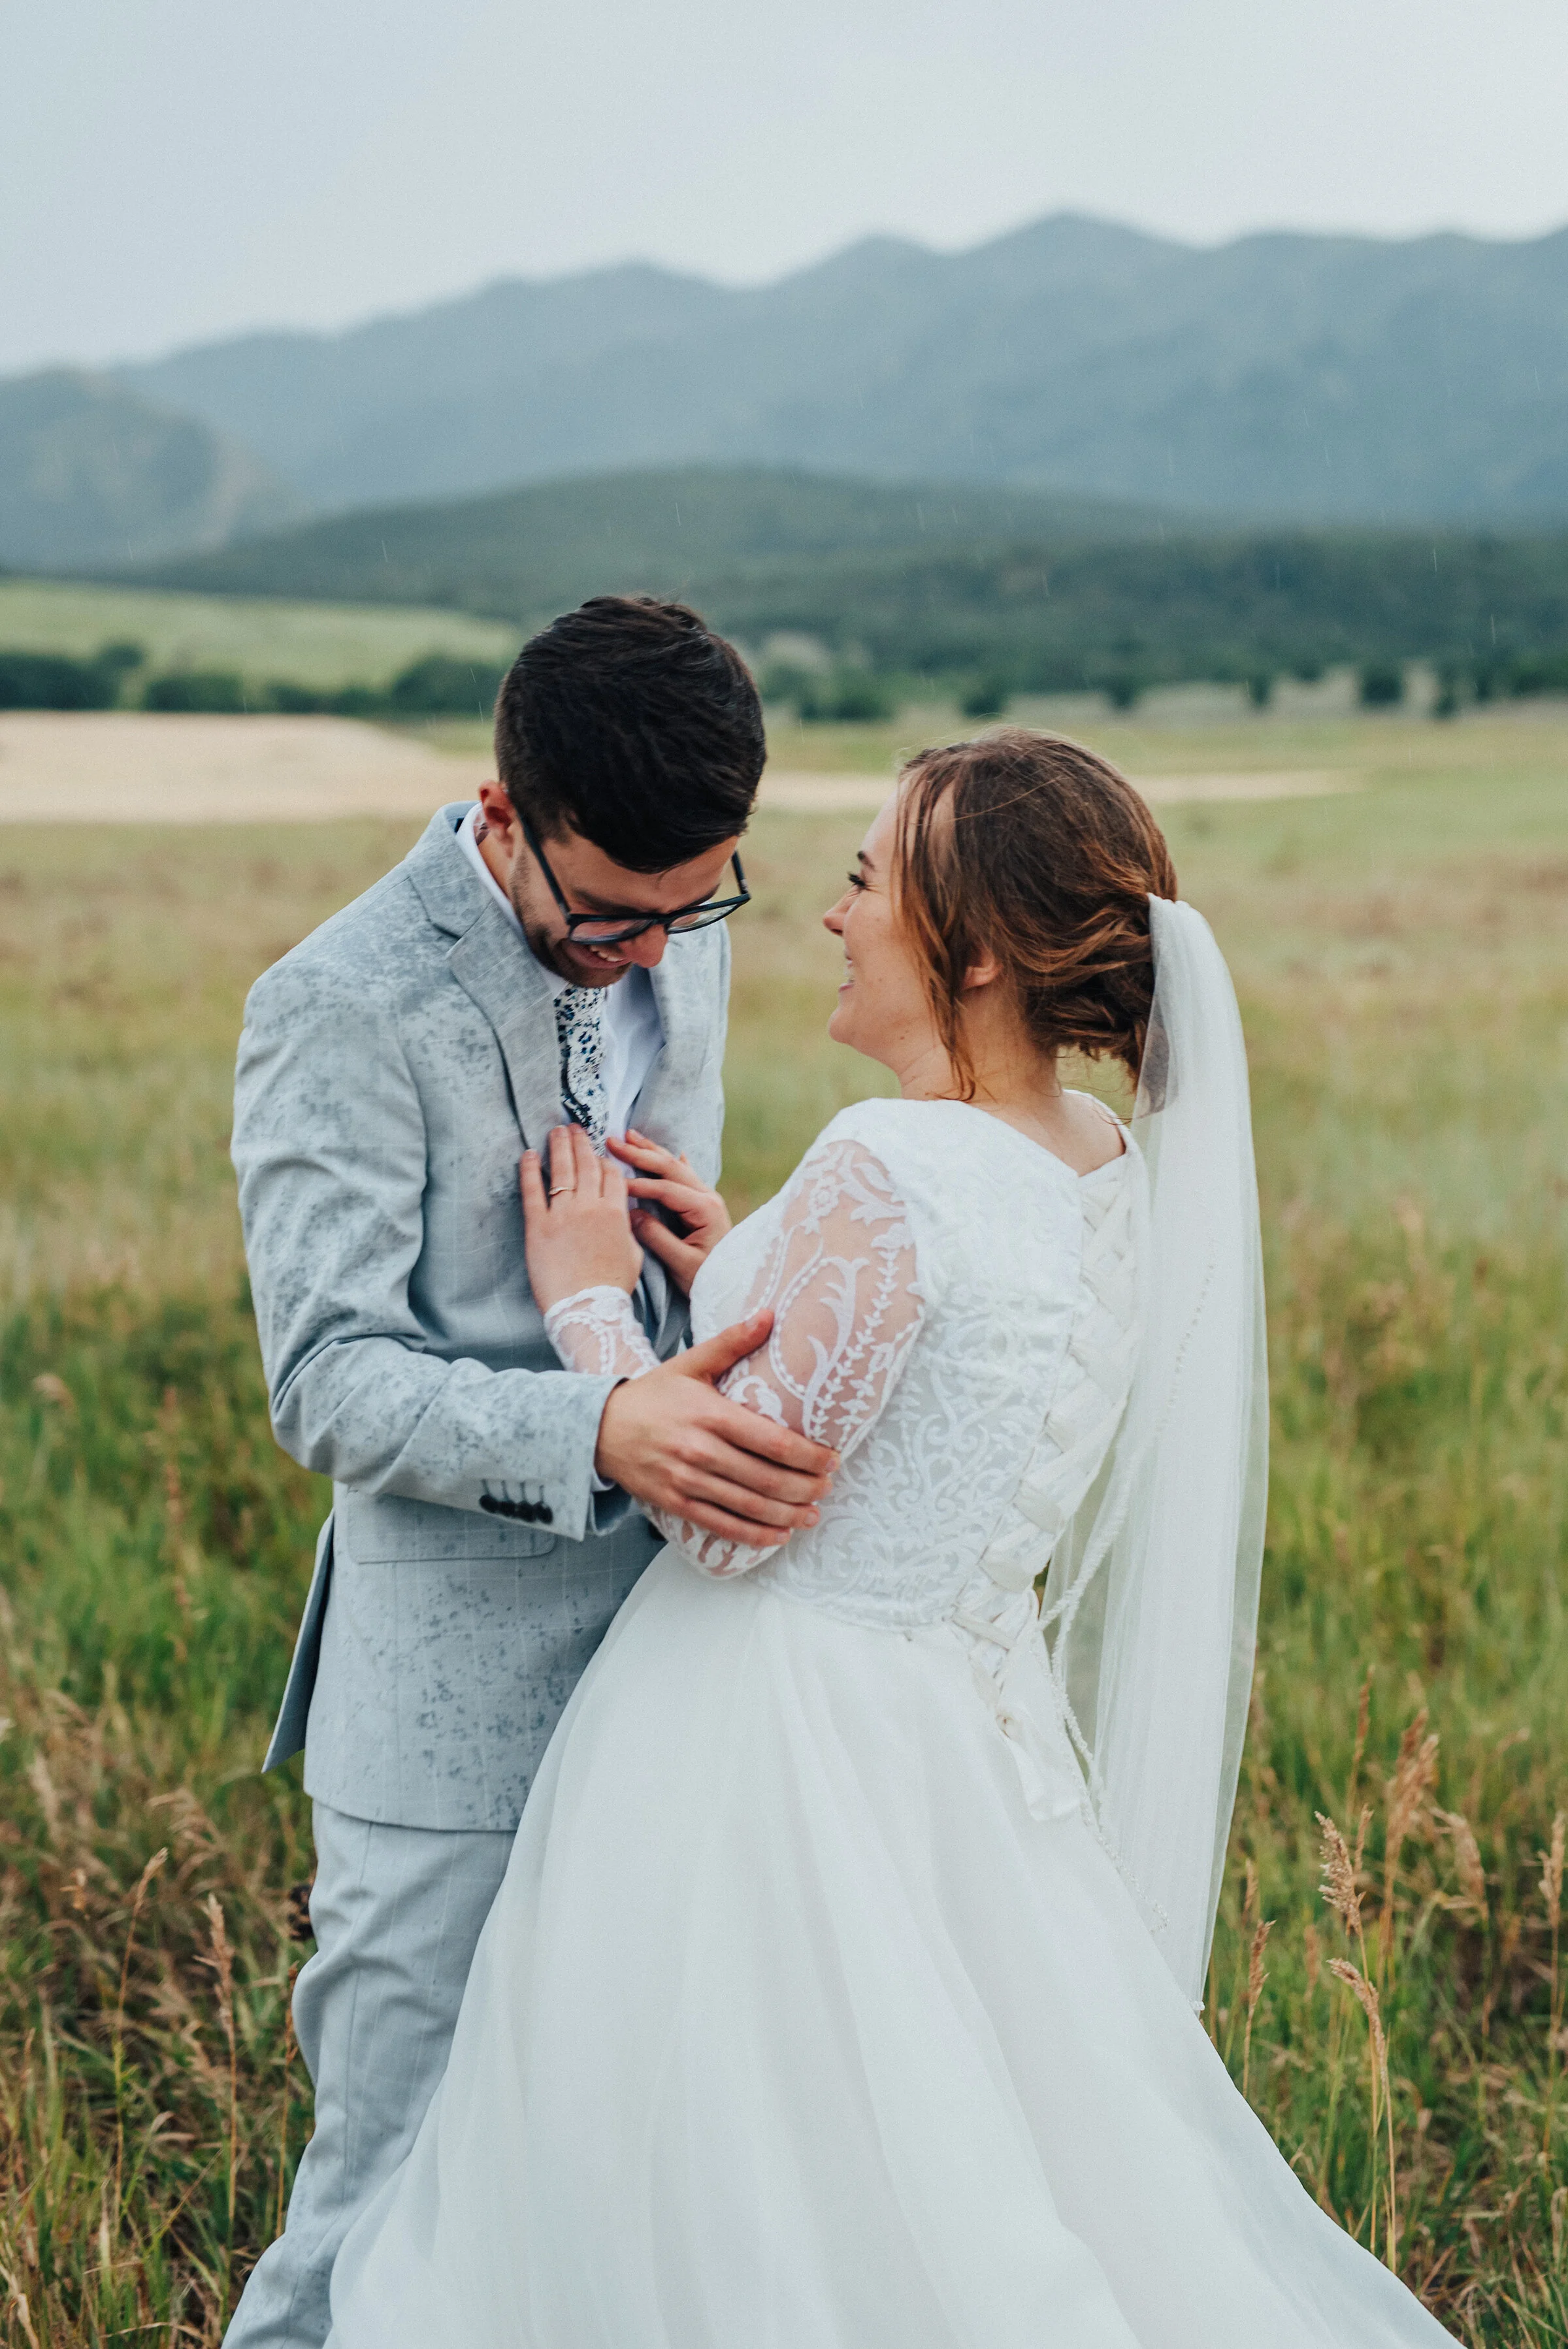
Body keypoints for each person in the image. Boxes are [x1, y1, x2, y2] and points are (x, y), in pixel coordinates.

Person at [323, 729, 1460, 2346]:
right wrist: (745, 1264)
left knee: (715, 2179)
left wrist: (591, 1306)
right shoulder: (1098, 1165)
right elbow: (932, 1405)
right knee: (965, 2152)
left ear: (975, 949)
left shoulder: (892, 1164)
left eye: (867, 879)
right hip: (961, 1749)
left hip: (767, 1747)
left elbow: (733, 1523)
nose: (836, 914)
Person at [225, 597, 836, 2349]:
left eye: (692, 907)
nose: (651, 956)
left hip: (682, 1670)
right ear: (504, 810)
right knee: (385, 2192)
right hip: (449, 1716)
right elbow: (328, 1378)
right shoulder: (336, 1003)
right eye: (609, 917)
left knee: (619, 2173)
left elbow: (663, 1259)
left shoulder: (677, 935)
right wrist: (599, 1427)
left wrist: (713, 1289)